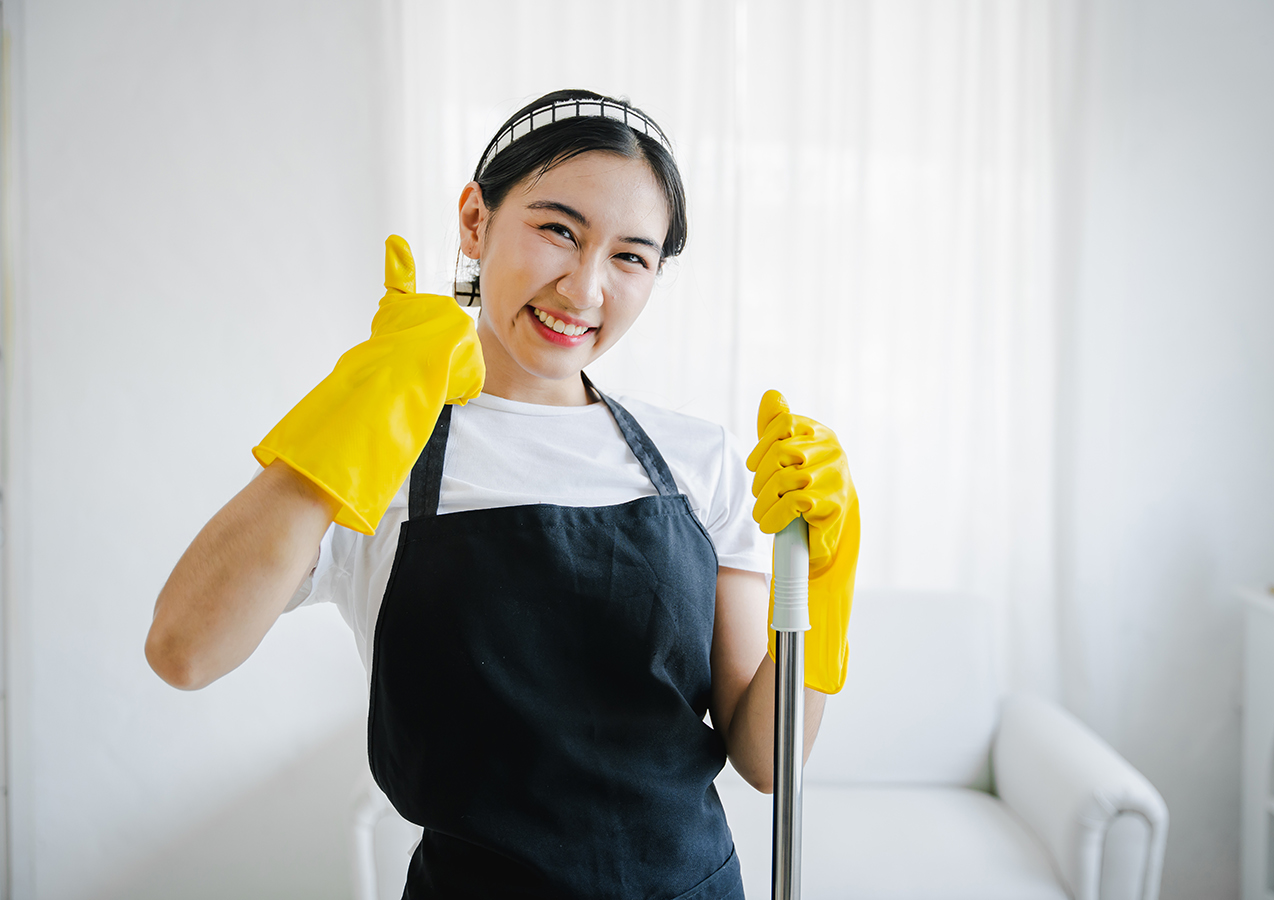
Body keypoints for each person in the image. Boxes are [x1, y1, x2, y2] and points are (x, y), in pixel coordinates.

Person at [146, 89, 860, 900]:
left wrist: (827, 586)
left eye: (630, 256)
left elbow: (766, 759)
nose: (585, 288)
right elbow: (185, 648)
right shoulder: (385, 447)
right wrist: (344, 425)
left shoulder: (698, 459)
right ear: (476, 222)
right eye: (559, 229)